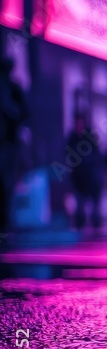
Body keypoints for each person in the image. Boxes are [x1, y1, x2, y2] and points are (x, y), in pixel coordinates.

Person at [0, 56, 28, 235]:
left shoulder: (13, 89)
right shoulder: (13, 88)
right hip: (9, 142)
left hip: (8, 143)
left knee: (6, 181)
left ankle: (5, 219)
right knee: (6, 182)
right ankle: (5, 219)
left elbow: (24, 114)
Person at [67, 112, 103, 230]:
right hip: (79, 181)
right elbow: (68, 158)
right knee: (80, 211)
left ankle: (97, 235)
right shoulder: (72, 139)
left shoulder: (90, 138)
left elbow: (97, 157)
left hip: (92, 180)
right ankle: (80, 235)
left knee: (95, 212)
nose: (79, 125)